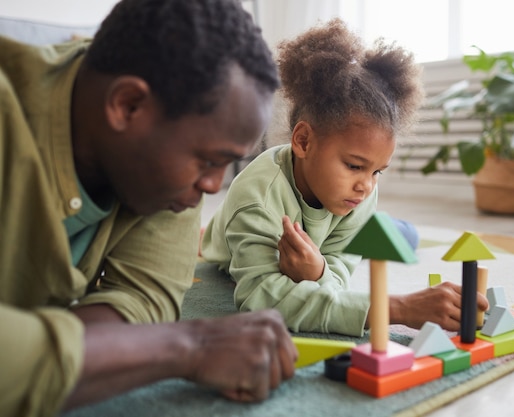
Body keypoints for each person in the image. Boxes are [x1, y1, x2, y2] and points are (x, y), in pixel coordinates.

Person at [0, 1, 298, 416]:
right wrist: (190, 347)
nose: (213, 186)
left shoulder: (165, 174)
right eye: (209, 160)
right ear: (127, 106)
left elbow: (145, 299)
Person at [201, 19, 489, 337]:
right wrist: (400, 308)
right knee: (384, 238)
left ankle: (392, 229)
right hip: (236, 245)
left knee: (405, 239)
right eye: (354, 166)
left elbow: (336, 281)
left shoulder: (361, 191)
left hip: (331, 230)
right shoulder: (257, 199)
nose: (366, 185)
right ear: (304, 142)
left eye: (377, 171)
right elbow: (263, 299)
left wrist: (319, 269)